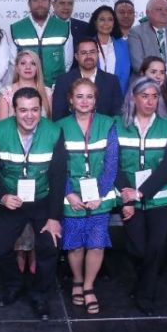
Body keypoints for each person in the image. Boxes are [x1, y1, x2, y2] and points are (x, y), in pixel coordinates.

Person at [0, 88, 67, 320]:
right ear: (14, 111)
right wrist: (2, 196)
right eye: (23, 110)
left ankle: (39, 294)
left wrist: (54, 218)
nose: (29, 116)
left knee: (50, 247)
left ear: (41, 110)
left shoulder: (54, 132)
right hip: (9, 201)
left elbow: (58, 177)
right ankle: (14, 285)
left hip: (42, 200)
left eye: (35, 110)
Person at [116, 78, 167, 315]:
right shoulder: (117, 124)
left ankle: (146, 295)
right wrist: (129, 196)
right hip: (127, 197)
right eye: (144, 96)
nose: (150, 101)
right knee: (137, 249)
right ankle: (144, 282)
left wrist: (142, 192)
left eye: (155, 96)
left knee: (156, 246)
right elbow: (113, 163)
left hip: (158, 197)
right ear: (133, 98)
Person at [56, 79, 118, 316]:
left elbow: (112, 162)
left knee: (96, 241)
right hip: (71, 195)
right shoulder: (59, 127)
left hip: (100, 196)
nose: (84, 101)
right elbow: (58, 164)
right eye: (79, 96)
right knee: (74, 242)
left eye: (89, 96)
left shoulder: (107, 124)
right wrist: (69, 193)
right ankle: (78, 281)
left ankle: (90, 285)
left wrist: (101, 194)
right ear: (71, 100)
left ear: (95, 100)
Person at [10, 0, 74, 88]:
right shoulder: (16, 29)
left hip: (55, 89)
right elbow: (13, 63)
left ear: (50, 3)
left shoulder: (63, 28)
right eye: (35, 0)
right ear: (29, 4)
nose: (40, 4)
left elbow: (67, 62)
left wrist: (57, 85)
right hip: (26, 89)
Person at [52, 36, 123, 120]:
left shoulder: (112, 80)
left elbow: (118, 113)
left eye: (92, 52)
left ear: (98, 54)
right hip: (72, 131)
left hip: (105, 130)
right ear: (76, 56)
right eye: (83, 53)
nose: (88, 56)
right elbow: (58, 115)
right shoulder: (63, 81)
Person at [129, 0, 167, 74]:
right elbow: (138, 63)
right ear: (147, 12)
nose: (164, 13)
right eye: (159, 9)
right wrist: (158, 75)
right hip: (147, 80)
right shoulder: (136, 32)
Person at [0, 49, 52, 120]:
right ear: (16, 68)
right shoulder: (6, 93)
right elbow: (2, 127)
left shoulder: (47, 93)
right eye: (23, 63)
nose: (28, 67)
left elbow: (50, 125)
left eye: (33, 63)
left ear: (37, 68)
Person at [88, 5, 130, 98]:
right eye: (102, 19)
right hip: (93, 95)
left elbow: (125, 73)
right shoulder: (87, 45)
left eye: (110, 19)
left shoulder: (124, 45)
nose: (106, 23)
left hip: (119, 95)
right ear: (95, 22)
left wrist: (118, 94)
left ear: (114, 23)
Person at [138, 56, 167, 131]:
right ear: (142, 74)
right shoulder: (133, 97)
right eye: (153, 72)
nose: (158, 76)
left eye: (162, 73)